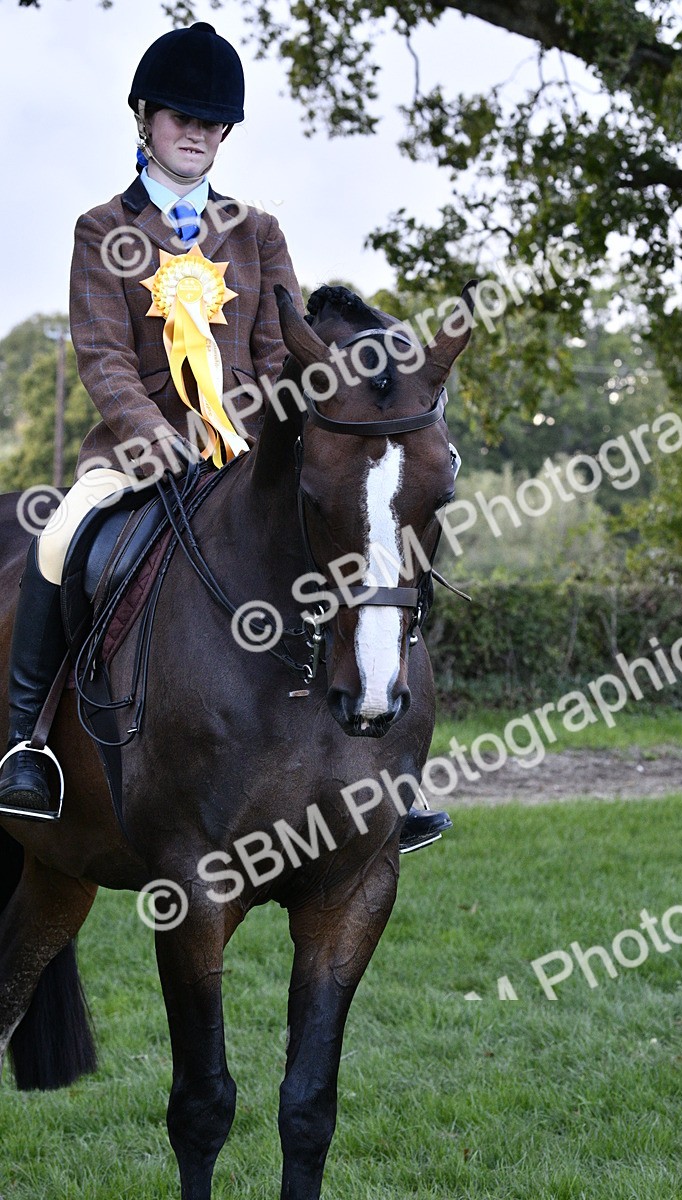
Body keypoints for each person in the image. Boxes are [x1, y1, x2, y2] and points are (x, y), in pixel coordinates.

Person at [0, 22, 452, 854]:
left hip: (247, 455)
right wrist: (153, 434)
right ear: (146, 119)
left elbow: (284, 349)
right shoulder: (101, 231)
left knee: (365, 541)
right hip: (135, 454)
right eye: (183, 119)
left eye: (213, 125)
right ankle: (29, 743)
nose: (198, 135)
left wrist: (258, 433)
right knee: (58, 545)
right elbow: (103, 356)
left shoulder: (256, 231)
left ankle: (387, 767)